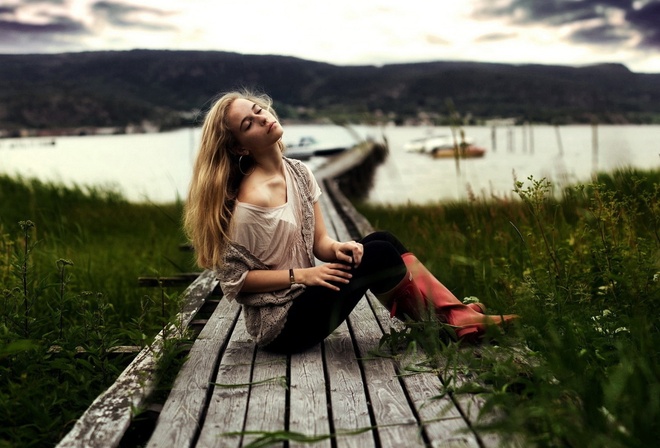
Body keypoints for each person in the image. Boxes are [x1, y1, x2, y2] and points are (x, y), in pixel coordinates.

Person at [183, 90, 517, 354]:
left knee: (379, 241)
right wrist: (303, 275)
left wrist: (340, 248)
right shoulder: (250, 203)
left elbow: (321, 245)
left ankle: (453, 317)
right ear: (240, 147)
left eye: (258, 111)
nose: (262, 118)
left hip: (308, 297)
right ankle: (453, 322)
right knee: (380, 256)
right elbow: (235, 281)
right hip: (283, 326)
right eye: (248, 125)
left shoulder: (298, 172)